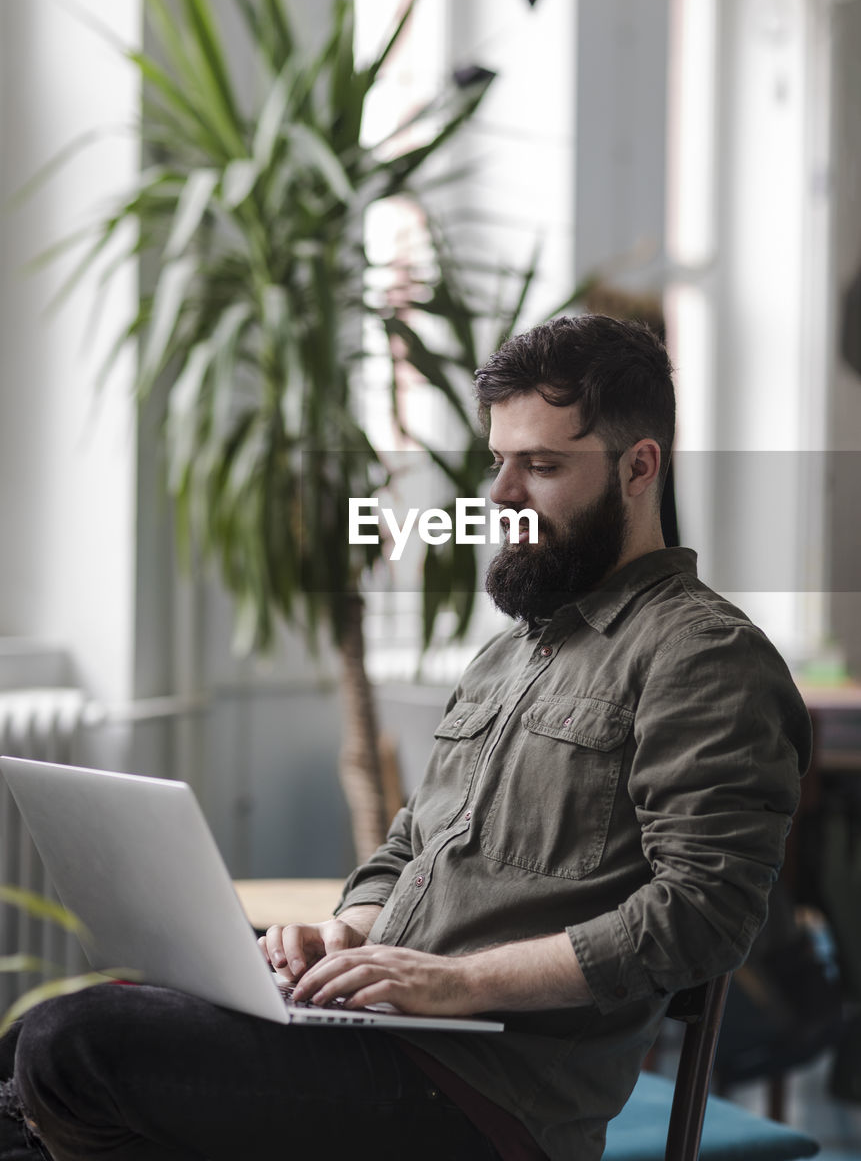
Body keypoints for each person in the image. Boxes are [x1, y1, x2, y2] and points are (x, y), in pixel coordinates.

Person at [0, 314, 810, 1161]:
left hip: (488, 1096)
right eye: (498, 462)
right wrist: (350, 928)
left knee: (75, 1046)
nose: (500, 495)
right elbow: (404, 848)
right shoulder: (508, 655)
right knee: (28, 1066)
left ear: (638, 467)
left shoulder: (704, 656)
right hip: (382, 1036)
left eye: (541, 466)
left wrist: (455, 982)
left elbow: (704, 915)